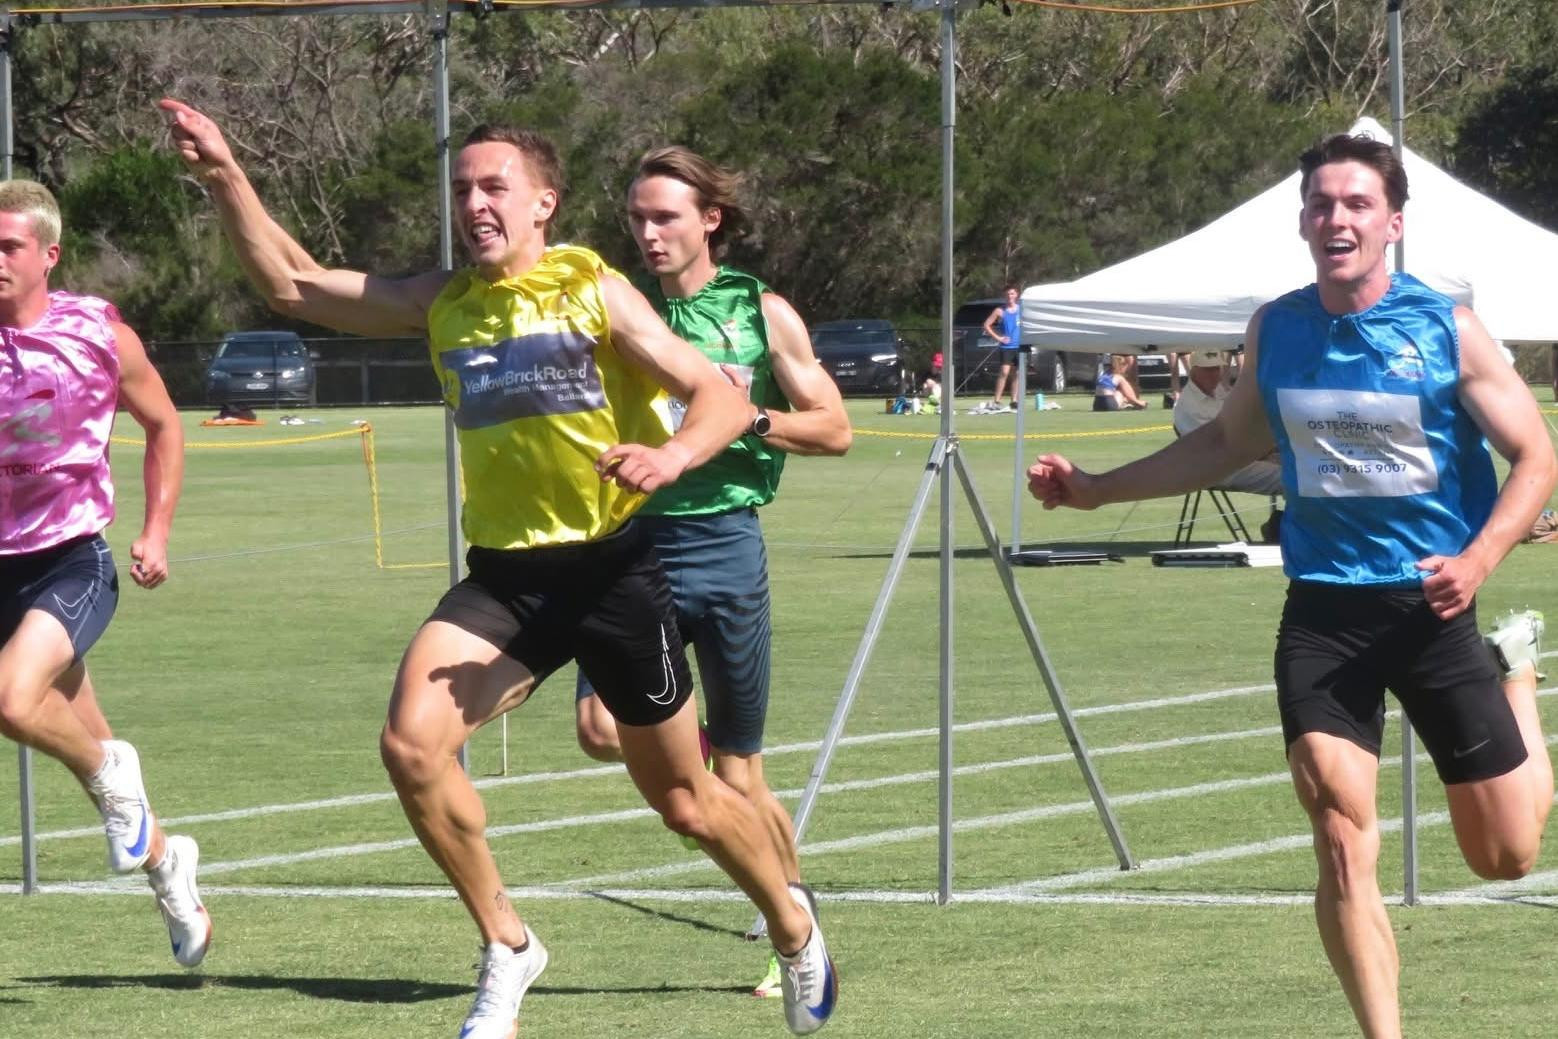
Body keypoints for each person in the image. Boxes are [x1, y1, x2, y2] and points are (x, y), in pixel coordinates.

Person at [161, 100, 837, 1038]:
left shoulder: (594, 289)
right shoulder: (444, 301)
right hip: (507, 580)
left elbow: (716, 394)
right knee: (410, 745)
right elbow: (294, 283)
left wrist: (671, 458)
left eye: (494, 187)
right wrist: (225, 173)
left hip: (612, 571)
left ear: (542, 203)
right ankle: (508, 944)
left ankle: (795, 927)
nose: (475, 203)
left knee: (686, 801)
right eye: (462, 190)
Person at [1029, 132, 1556, 1039]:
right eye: (1322, 204)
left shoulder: (1447, 328)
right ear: (1303, 221)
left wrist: (1478, 562)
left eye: (1356, 204)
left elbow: (1537, 456)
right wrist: (1096, 490)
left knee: (1504, 854)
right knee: (1343, 838)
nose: (1337, 218)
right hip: (1323, 611)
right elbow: (1223, 444)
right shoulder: (1277, 327)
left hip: (1436, 606)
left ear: (1393, 222)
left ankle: (1519, 684)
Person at [571, 145, 851, 998]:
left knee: (739, 772)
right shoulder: (618, 309)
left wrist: (743, 415)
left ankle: (791, 927)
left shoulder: (760, 312)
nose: (649, 234)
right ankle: (693, 782)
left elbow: (834, 426)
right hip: (629, 547)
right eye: (638, 219)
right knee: (598, 727)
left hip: (725, 546)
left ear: (709, 221)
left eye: (665, 218)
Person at [0, 180, 209, 967]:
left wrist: (156, 528)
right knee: (88, 751)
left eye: (8, 246)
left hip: (70, 560)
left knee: (13, 699)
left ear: (48, 255)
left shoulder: (97, 334)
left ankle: (118, 774)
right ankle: (169, 870)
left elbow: (162, 425)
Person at [1172, 349, 1283, 496]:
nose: (1214, 374)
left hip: (1240, 458)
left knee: (1305, 468)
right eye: (1208, 370)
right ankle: (1291, 518)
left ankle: (1286, 517)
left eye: (1216, 369)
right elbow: (1216, 448)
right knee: (1290, 478)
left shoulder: (1218, 391)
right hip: (1217, 469)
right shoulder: (1188, 406)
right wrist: (1261, 449)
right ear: (1193, 371)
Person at [976, 285, 1022, 413]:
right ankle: (997, 400)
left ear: (1016, 295)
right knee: (1004, 373)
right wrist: (999, 338)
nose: (1010, 296)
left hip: (1020, 346)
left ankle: (1014, 401)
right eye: (1007, 294)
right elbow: (986, 325)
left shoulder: (1022, 310)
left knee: (1017, 374)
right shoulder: (999, 311)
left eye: (1012, 294)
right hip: (1007, 346)